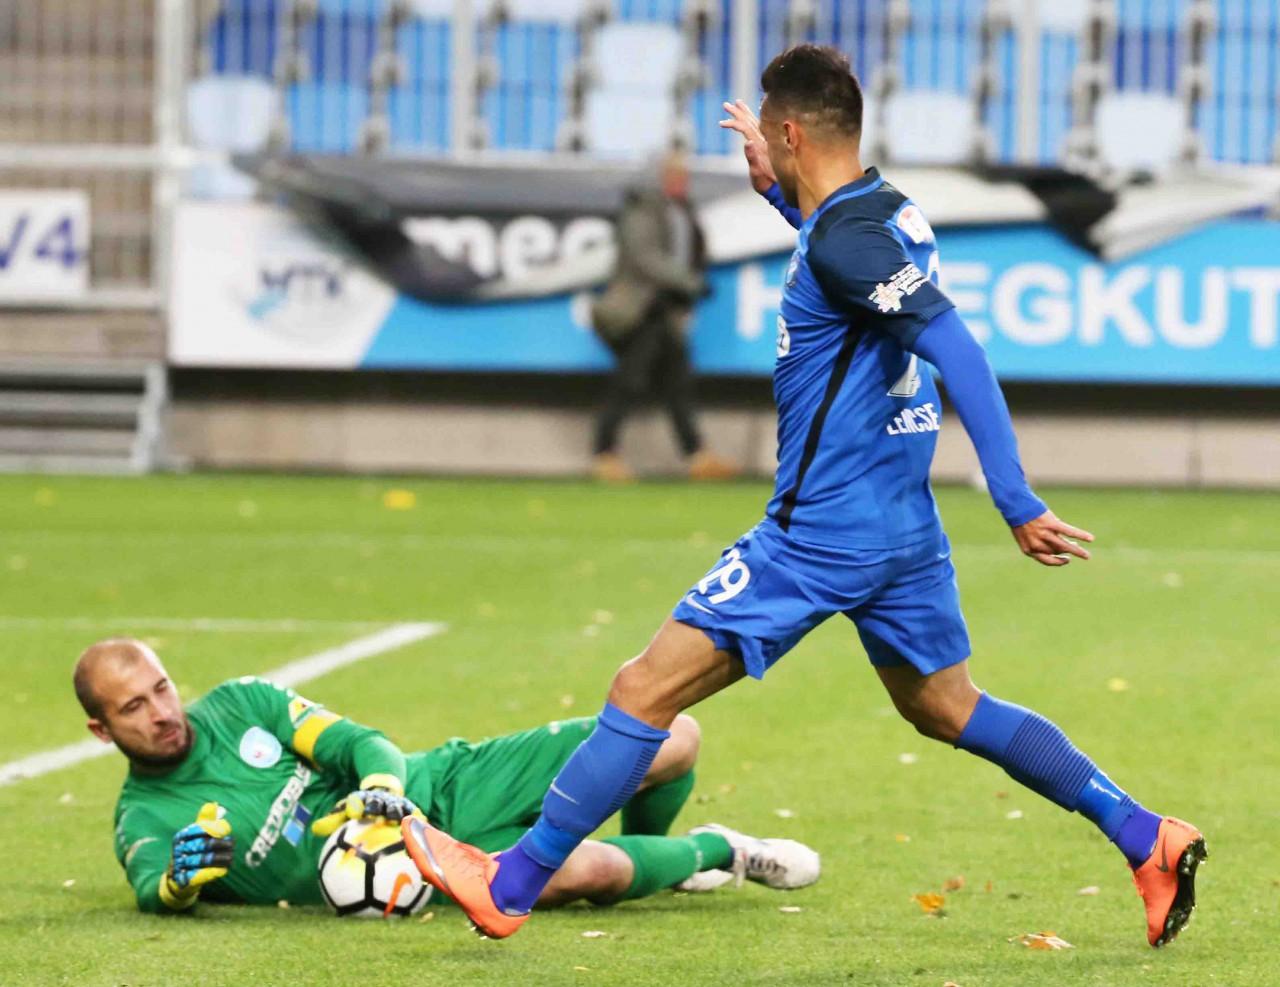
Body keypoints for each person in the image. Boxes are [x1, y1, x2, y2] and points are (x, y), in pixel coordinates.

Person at [402, 45, 1207, 947]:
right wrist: (778, 197)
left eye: (768, 135)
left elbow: (958, 349)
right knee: (948, 706)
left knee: (641, 688)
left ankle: (509, 883)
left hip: (821, 532)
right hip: (901, 526)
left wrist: (1014, 496)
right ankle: (1145, 834)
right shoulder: (884, 211)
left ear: (788, 132)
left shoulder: (844, 238)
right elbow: (848, 273)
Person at [76, 639, 818, 914]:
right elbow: (152, 888)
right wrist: (178, 883)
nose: (162, 712)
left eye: (161, 688)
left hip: (445, 782)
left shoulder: (241, 704)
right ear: (102, 730)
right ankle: (719, 850)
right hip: (423, 868)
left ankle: (667, 857)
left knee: (674, 738)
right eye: (134, 708)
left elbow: (359, 741)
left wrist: (383, 787)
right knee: (586, 870)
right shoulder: (144, 816)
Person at [589, 150, 738, 483]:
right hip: (641, 309)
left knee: (677, 383)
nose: (680, 182)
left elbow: (691, 250)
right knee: (631, 379)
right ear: (660, 178)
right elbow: (646, 258)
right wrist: (689, 282)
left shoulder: (682, 211)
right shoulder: (643, 209)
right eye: (673, 175)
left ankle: (697, 455)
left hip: (665, 310)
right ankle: (604, 452)